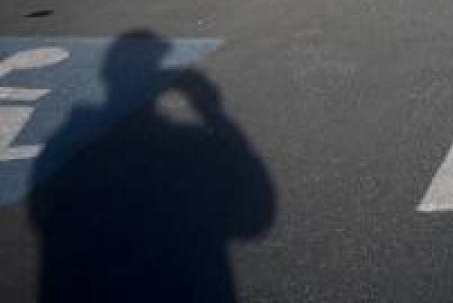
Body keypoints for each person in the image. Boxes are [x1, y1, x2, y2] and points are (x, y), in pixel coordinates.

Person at [28, 30, 275, 302]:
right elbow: (255, 216)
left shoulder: (68, 150)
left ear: (107, 78)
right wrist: (213, 113)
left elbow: (43, 217)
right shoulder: (189, 149)